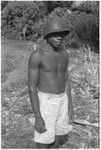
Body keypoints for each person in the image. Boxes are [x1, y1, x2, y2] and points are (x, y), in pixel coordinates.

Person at [28, 17, 74, 149]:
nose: (59, 38)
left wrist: (69, 105)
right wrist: (38, 116)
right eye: (55, 34)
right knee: (44, 140)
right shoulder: (37, 55)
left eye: (61, 35)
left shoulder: (64, 54)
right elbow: (31, 87)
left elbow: (66, 80)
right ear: (47, 35)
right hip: (46, 102)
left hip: (62, 100)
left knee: (59, 137)